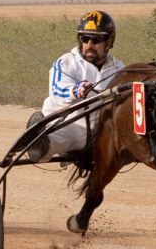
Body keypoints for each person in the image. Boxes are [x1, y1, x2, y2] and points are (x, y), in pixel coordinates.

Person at [27, 9, 125, 162]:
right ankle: (36, 139)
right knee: (59, 140)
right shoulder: (66, 62)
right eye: (85, 38)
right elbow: (57, 92)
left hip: (102, 129)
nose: (89, 44)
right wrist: (76, 91)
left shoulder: (119, 68)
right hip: (69, 122)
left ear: (109, 42)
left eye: (96, 39)